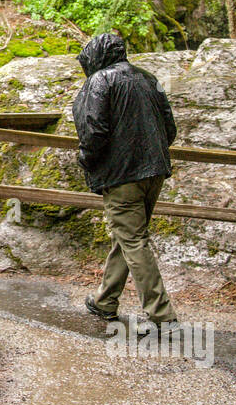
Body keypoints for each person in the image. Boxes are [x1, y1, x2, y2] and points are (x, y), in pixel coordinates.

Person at [71, 33, 179, 334]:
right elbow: (169, 127)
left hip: (122, 176)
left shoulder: (99, 81)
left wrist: (87, 160)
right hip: (154, 171)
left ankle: (162, 314)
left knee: (133, 239)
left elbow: (93, 131)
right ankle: (105, 300)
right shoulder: (148, 78)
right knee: (128, 234)